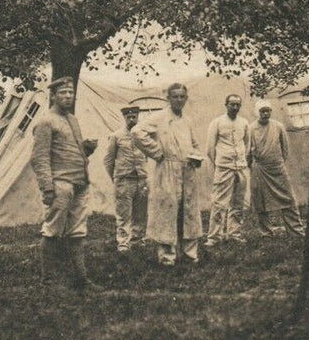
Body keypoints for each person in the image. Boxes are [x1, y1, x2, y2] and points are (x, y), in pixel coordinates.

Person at [31, 77, 97, 290]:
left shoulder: (73, 120)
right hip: (60, 184)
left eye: (71, 93)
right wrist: (47, 188)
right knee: (52, 231)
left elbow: (68, 150)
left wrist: (86, 149)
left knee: (77, 233)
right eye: (63, 93)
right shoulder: (45, 121)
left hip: (79, 182)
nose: (68, 96)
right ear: (53, 96)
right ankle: (47, 281)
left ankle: (82, 280)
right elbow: (39, 158)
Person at [132, 82, 204, 265]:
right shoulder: (159, 117)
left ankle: (190, 253)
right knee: (167, 210)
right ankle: (167, 256)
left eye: (182, 97)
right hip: (167, 170)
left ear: (186, 99)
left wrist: (195, 157)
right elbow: (137, 132)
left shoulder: (187, 120)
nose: (179, 100)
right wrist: (157, 153)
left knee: (189, 211)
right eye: (175, 97)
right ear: (168, 98)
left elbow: (195, 145)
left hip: (187, 170)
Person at [247, 102, 304, 237]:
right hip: (259, 168)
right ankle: (266, 232)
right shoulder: (251, 129)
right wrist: (253, 165)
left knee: (288, 199)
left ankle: (295, 231)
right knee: (260, 201)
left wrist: (278, 163)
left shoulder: (278, 126)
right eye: (262, 111)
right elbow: (248, 151)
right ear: (257, 112)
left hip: (277, 167)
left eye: (268, 111)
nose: (265, 114)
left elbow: (285, 148)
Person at [204, 94, 252, 246]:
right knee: (219, 202)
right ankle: (214, 237)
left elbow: (247, 144)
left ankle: (234, 233)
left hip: (241, 167)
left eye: (238, 105)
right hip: (224, 168)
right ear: (226, 105)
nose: (235, 107)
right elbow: (210, 149)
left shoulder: (244, 123)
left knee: (238, 202)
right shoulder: (217, 123)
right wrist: (219, 164)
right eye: (232, 104)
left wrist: (242, 160)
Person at [103, 104, 148, 253]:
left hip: (140, 178)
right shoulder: (116, 136)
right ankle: (123, 243)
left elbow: (147, 154)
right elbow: (108, 160)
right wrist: (116, 178)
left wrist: (143, 174)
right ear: (124, 118)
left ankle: (138, 239)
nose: (131, 119)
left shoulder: (143, 135)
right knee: (123, 213)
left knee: (140, 212)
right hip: (124, 179)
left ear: (138, 117)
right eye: (128, 117)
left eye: (134, 116)